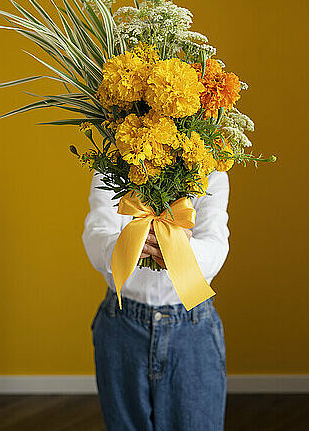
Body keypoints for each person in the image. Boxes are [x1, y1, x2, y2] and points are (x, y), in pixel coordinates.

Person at [82, 168, 230, 431]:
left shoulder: (212, 171)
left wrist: (181, 251)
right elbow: (96, 230)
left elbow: (216, 245)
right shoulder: (110, 165)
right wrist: (125, 247)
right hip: (121, 326)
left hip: (192, 329)